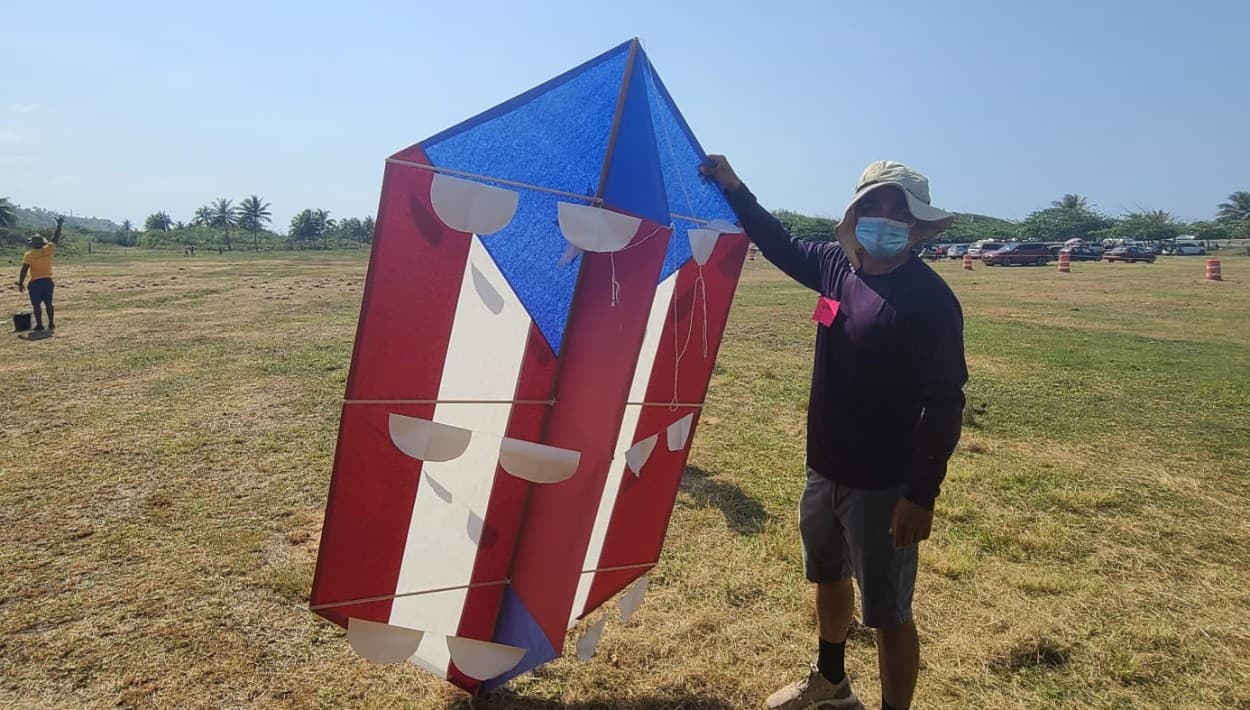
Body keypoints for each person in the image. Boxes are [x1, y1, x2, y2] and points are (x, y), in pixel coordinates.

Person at [701, 157, 968, 710]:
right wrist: (734, 187)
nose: (886, 218)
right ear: (856, 213)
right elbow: (776, 241)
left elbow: (945, 404)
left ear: (917, 226)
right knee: (827, 576)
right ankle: (831, 681)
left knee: (888, 613)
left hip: (884, 485)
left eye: (900, 211)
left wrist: (920, 494)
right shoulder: (835, 267)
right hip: (824, 468)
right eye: (875, 206)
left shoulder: (931, 300)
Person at [18, 216, 65, 332]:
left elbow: (24, 270)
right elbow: (56, 237)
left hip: (35, 282)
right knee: (49, 303)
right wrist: (59, 224)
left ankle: (39, 325)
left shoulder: (29, 255)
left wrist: (20, 283)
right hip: (48, 281)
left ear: (32, 244)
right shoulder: (49, 249)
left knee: (36, 305)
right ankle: (51, 323)